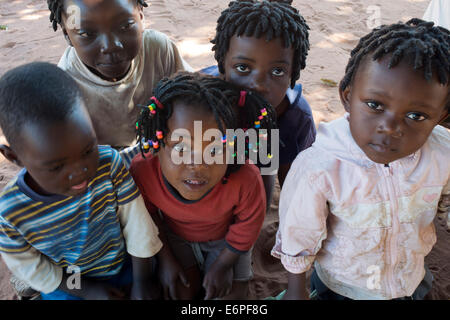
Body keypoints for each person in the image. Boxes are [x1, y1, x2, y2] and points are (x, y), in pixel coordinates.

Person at [271, 19, 450, 300]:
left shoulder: (443, 154)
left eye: (416, 116)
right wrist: (297, 290)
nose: (390, 127)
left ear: (441, 118)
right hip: (341, 286)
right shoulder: (321, 167)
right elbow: (299, 232)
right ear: (347, 96)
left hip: (410, 280)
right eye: (375, 105)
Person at [0, 62, 163, 300]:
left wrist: (142, 281)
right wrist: (87, 290)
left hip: (124, 265)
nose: (80, 172)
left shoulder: (109, 164)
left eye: (88, 150)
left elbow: (138, 227)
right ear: (15, 157)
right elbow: (33, 268)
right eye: (56, 166)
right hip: (71, 282)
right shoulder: (11, 213)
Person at [129, 72, 278, 300]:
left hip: (227, 241)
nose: (197, 165)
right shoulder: (143, 171)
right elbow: (148, 217)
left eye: (215, 150)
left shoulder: (246, 178)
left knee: (232, 298)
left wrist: (224, 264)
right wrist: (166, 260)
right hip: (175, 239)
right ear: (158, 144)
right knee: (178, 293)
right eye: (181, 149)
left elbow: (248, 225)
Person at [204, 0, 316, 210]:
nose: (258, 84)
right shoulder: (202, 102)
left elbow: (297, 193)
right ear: (222, 65)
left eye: (277, 71)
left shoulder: (296, 118)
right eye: (243, 67)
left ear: (293, 73)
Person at [47, 0, 192, 148]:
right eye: (86, 34)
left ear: (140, 15)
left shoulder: (158, 49)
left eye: (125, 26)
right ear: (67, 34)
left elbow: (194, 100)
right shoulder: (65, 86)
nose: (110, 46)